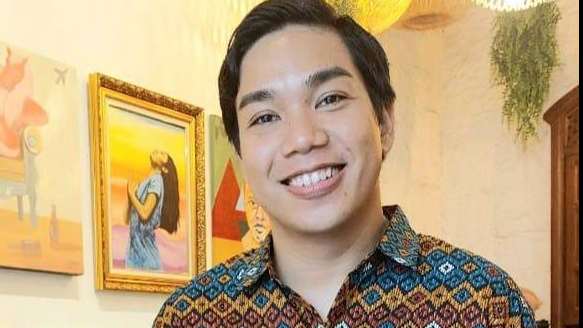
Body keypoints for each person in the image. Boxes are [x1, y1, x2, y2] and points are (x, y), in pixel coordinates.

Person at [154, 0, 536, 326]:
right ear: (241, 152)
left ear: (384, 122)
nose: (303, 138)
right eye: (265, 117)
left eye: (330, 98)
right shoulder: (192, 315)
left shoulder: (485, 303)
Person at [126, 149, 179, 271]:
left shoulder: (156, 181)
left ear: (164, 169)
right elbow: (126, 220)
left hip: (145, 254)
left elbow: (144, 214)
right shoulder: (143, 183)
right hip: (134, 251)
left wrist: (131, 193)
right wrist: (130, 196)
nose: (158, 151)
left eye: (163, 154)